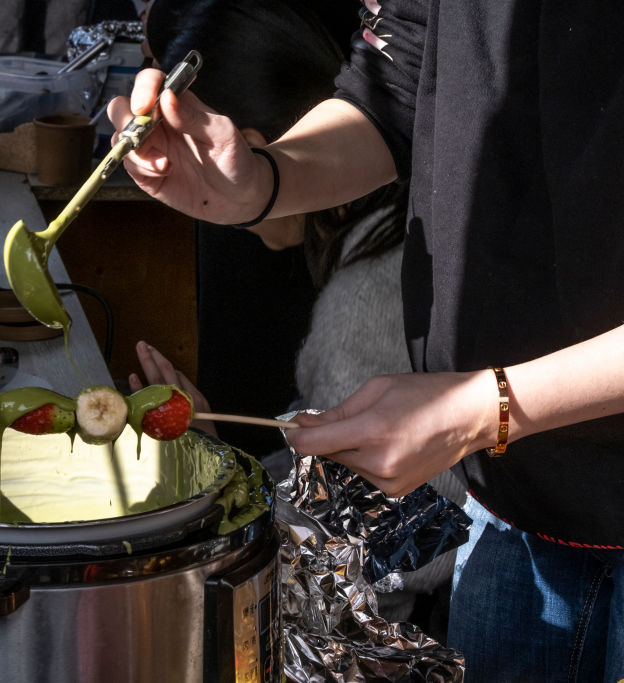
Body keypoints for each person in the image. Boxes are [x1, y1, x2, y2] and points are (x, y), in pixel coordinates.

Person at [109, 2, 624, 680]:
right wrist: (262, 179)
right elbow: (403, 70)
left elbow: (356, 548)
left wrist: (487, 405)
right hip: (517, 500)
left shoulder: (359, 315)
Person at [137, 0, 465, 631]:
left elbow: (375, 544)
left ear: (247, 148)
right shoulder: (390, 239)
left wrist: (214, 480)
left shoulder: (368, 302)